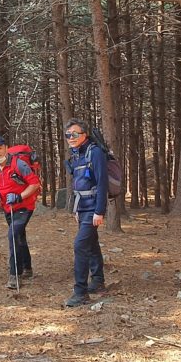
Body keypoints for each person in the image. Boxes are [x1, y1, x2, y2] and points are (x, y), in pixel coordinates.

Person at [0, 134, 40, 289]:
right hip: (7, 207)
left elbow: (35, 184)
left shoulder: (19, 164)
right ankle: (27, 268)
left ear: (6, 148)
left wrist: (19, 197)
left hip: (24, 206)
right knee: (19, 236)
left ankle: (14, 275)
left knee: (13, 235)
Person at [63, 118, 106, 307]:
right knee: (91, 243)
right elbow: (77, 185)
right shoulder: (76, 154)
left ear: (84, 135)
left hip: (93, 208)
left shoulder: (95, 153)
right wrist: (76, 209)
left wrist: (99, 211)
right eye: (68, 135)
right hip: (82, 207)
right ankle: (97, 281)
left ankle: (80, 292)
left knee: (80, 245)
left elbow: (102, 182)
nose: (71, 138)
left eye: (74, 134)